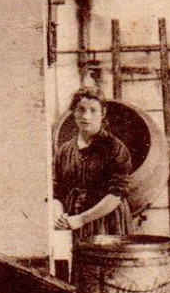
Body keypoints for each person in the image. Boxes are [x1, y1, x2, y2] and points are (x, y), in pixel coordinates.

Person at [52, 89, 134, 241]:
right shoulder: (64, 151)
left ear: (103, 113)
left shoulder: (115, 148)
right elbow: (56, 192)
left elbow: (117, 194)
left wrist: (82, 219)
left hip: (109, 222)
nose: (86, 116)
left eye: (93, 110)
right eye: (81, 110)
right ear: (73, 112)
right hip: (72, 221)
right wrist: (58, 216)